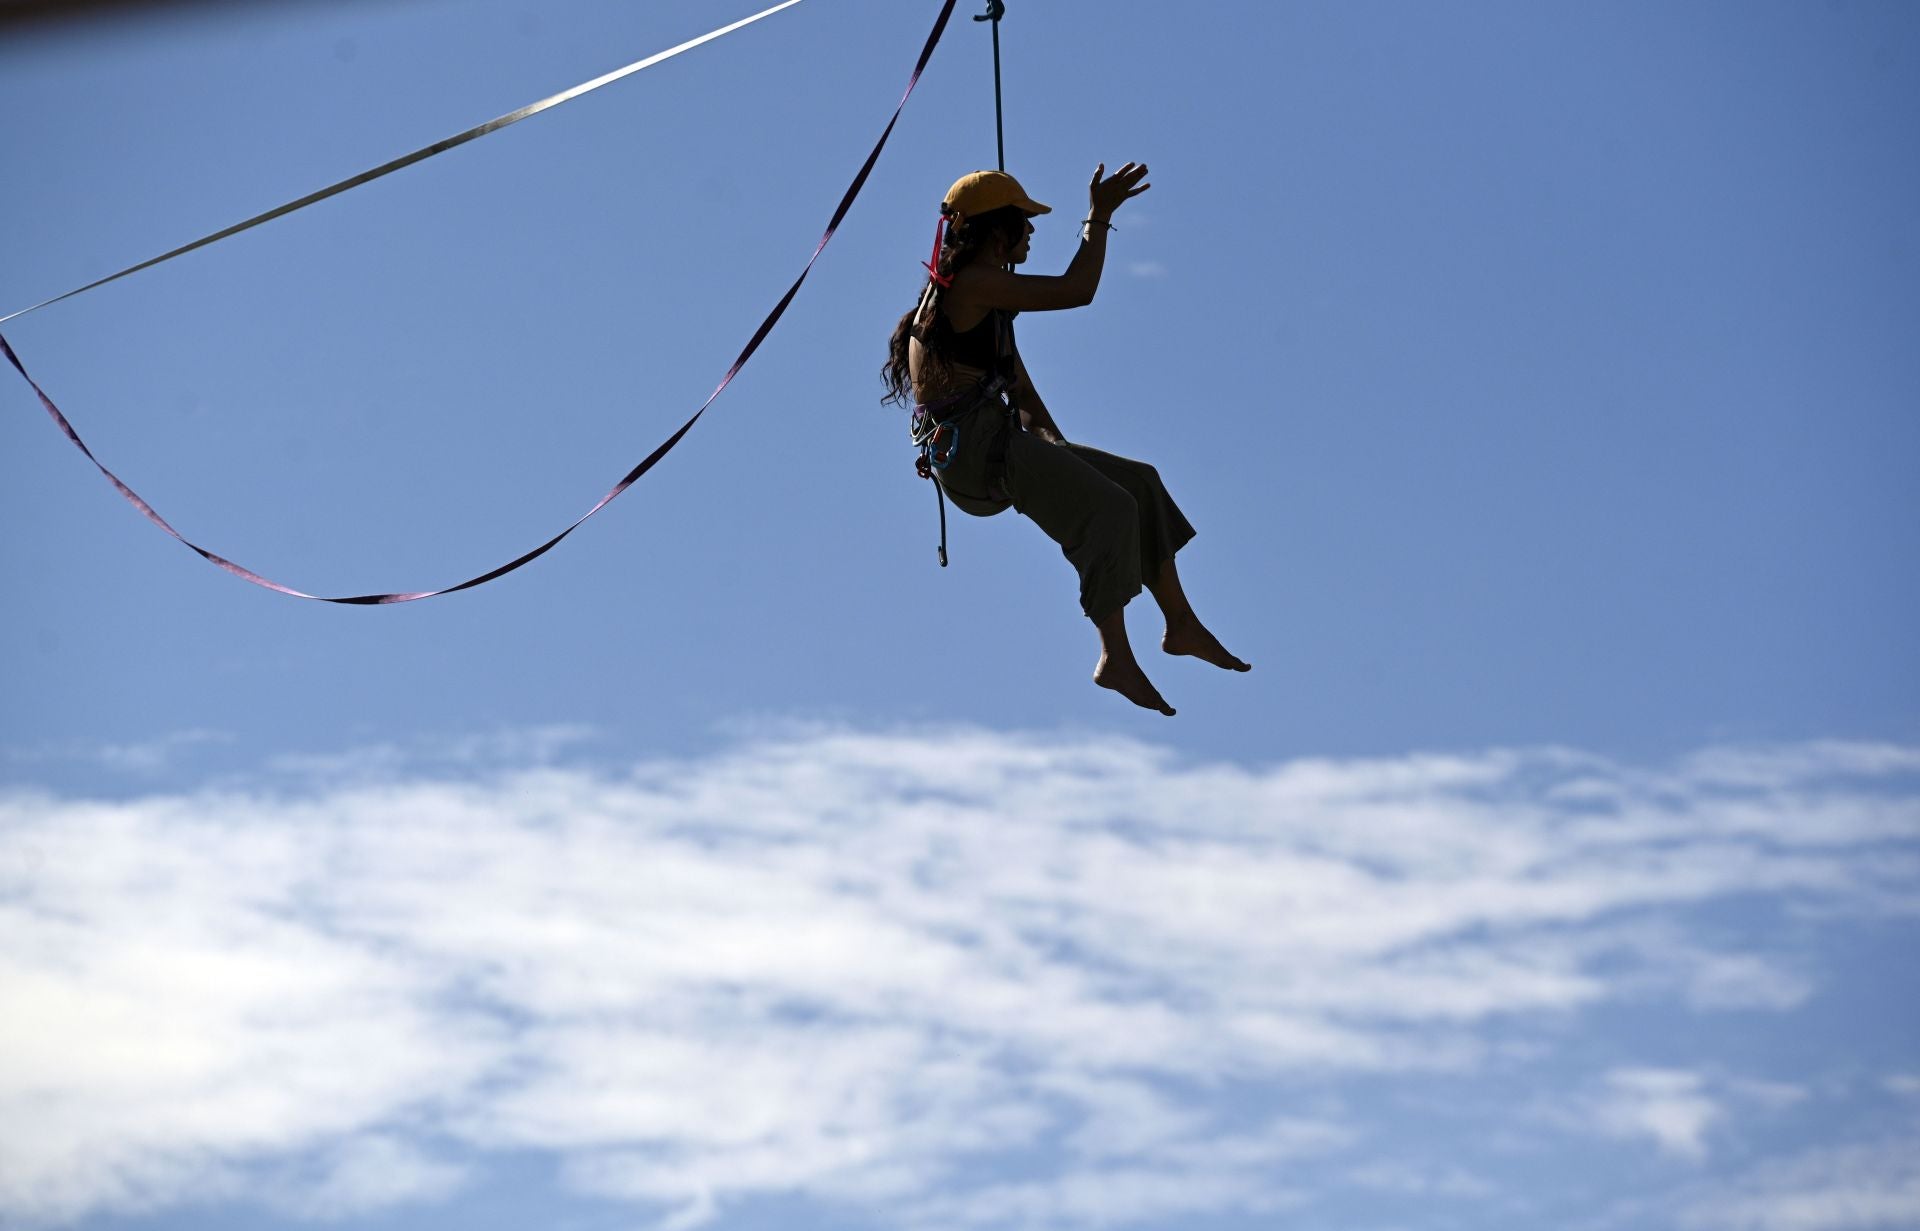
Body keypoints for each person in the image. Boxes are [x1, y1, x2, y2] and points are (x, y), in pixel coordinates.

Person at [882, 165, 1249, 716]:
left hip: (994, 444)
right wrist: (1098, 219)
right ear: (996, 232)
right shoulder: (972, 287)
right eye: (1023, 224)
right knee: (1110, 509)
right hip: (976, 458)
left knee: (1138, 483)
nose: (1031, 234)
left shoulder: (989, 307)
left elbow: (1026, 399)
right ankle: (1115, 657)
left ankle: (1180, 625)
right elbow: (1078, 290)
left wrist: (1060, 450)